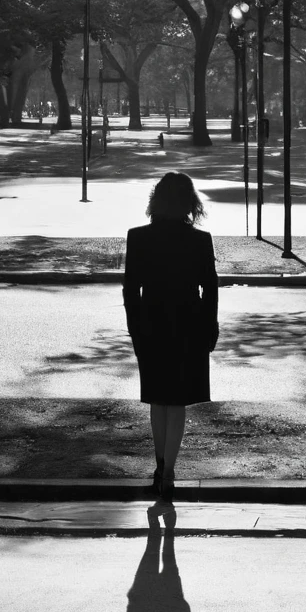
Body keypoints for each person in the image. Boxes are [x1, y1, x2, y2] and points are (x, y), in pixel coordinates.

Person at [122, 172, 219, 501]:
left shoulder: (138, 238)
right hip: (188, 323)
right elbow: (211, 288)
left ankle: (160, 463)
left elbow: (130, 290)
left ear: (156, 201)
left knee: (157, 398)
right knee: (177, 401)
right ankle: (169, 470)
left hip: (151, 324)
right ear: (189, 204)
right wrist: (210, 326)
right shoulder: (199, 241)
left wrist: (135, 328)